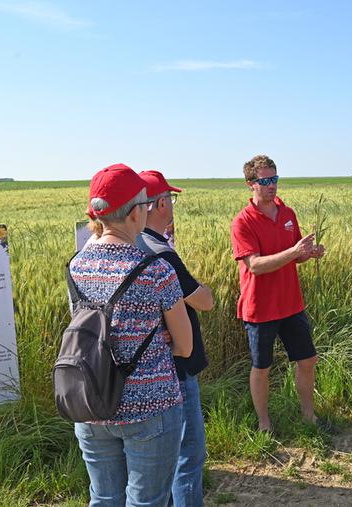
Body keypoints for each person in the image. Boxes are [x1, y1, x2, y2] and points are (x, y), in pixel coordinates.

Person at [70, 163, 193, 507]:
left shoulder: (76, 266)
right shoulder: (156, 271)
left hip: (91, 401)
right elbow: (185, 346)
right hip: (149, 406)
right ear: (136, 213)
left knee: (105, 498)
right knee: (147, 501)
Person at [230, 155, 325, 432]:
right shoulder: (243, 222)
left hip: (291, 303)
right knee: (262, 367)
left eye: (275, 178)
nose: (272, 185)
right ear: (251, 184)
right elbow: (255, 266)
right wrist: (294, 252)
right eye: (266, 180)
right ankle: (264, 423)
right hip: (260, 308)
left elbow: (294, 257)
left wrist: (307, 253)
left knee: (307, 360)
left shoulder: (287, 214)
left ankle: (309, 416)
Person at [136, 170, 213, 507]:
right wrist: (204, 289)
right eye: (171, 199)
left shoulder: (130, 246)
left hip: (145, 370)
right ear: (161, 203)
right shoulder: (161, 252)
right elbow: (203, 300)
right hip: (176, 367)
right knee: (188, 454)